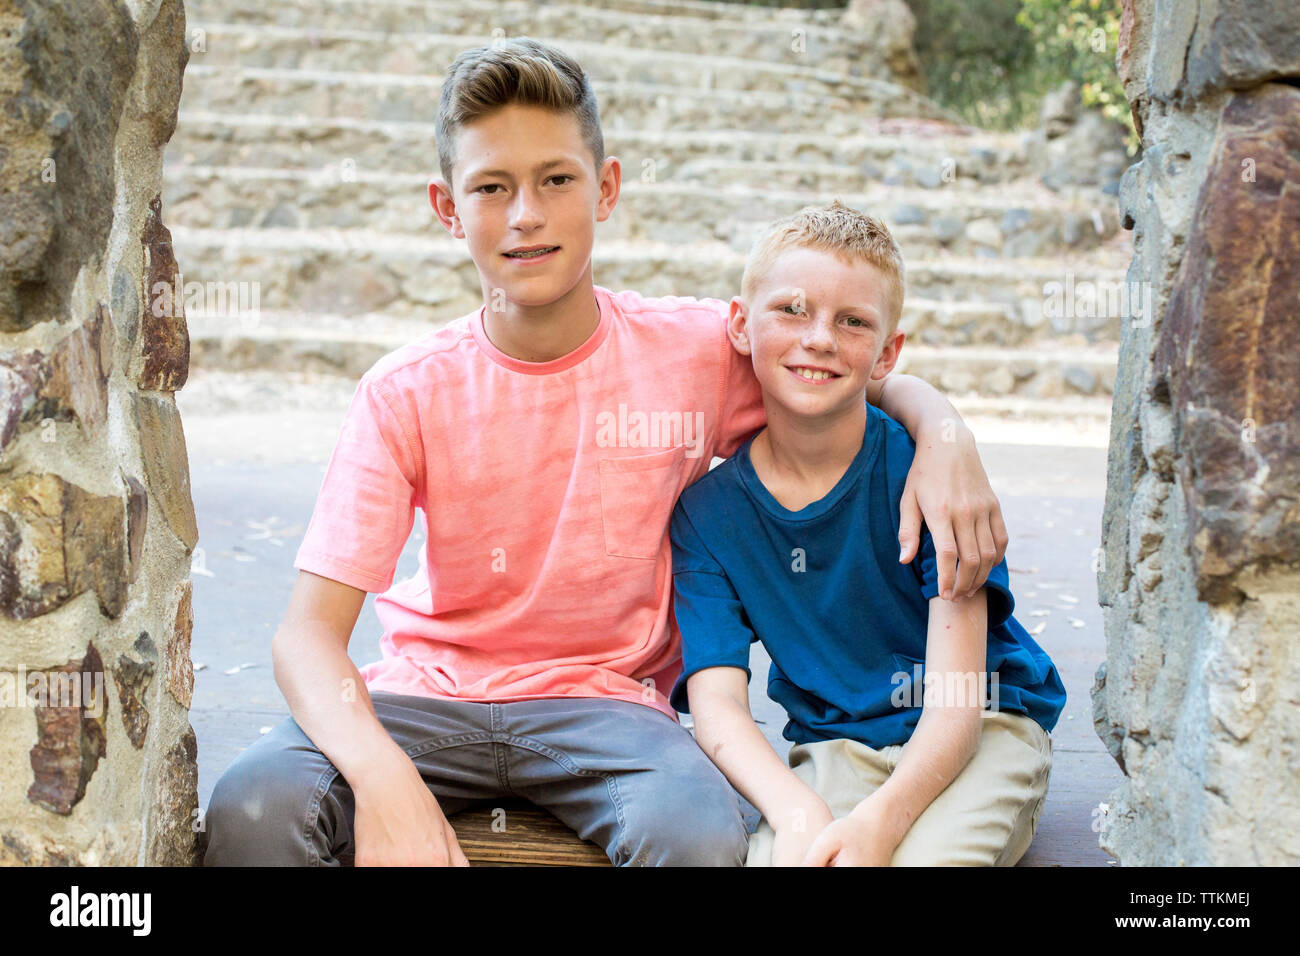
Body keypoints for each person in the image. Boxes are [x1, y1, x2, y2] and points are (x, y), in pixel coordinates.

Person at [202, 38, 1011, 867]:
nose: (526, 214)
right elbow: (306, 637)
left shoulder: (694, 350)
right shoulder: (404, 390)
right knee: (255, 806)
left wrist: (944, 434)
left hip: (611, 710)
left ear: (607, 188)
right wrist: (383, 780)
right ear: (448, 209)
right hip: (424, 700)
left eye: (557, 179)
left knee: (698, 837)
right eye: (492, 187)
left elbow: (832, 366)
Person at [670, 200, 1066, 866]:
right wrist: (797, 813)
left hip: (981, 730)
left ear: (887, 353)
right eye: (792, 309)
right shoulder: (707, 517)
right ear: (740, 325)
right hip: (835, 746)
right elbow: (718, 709)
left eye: (851, 321)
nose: (819, 338)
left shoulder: (928, 475)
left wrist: (880, 825)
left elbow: (957, 705)